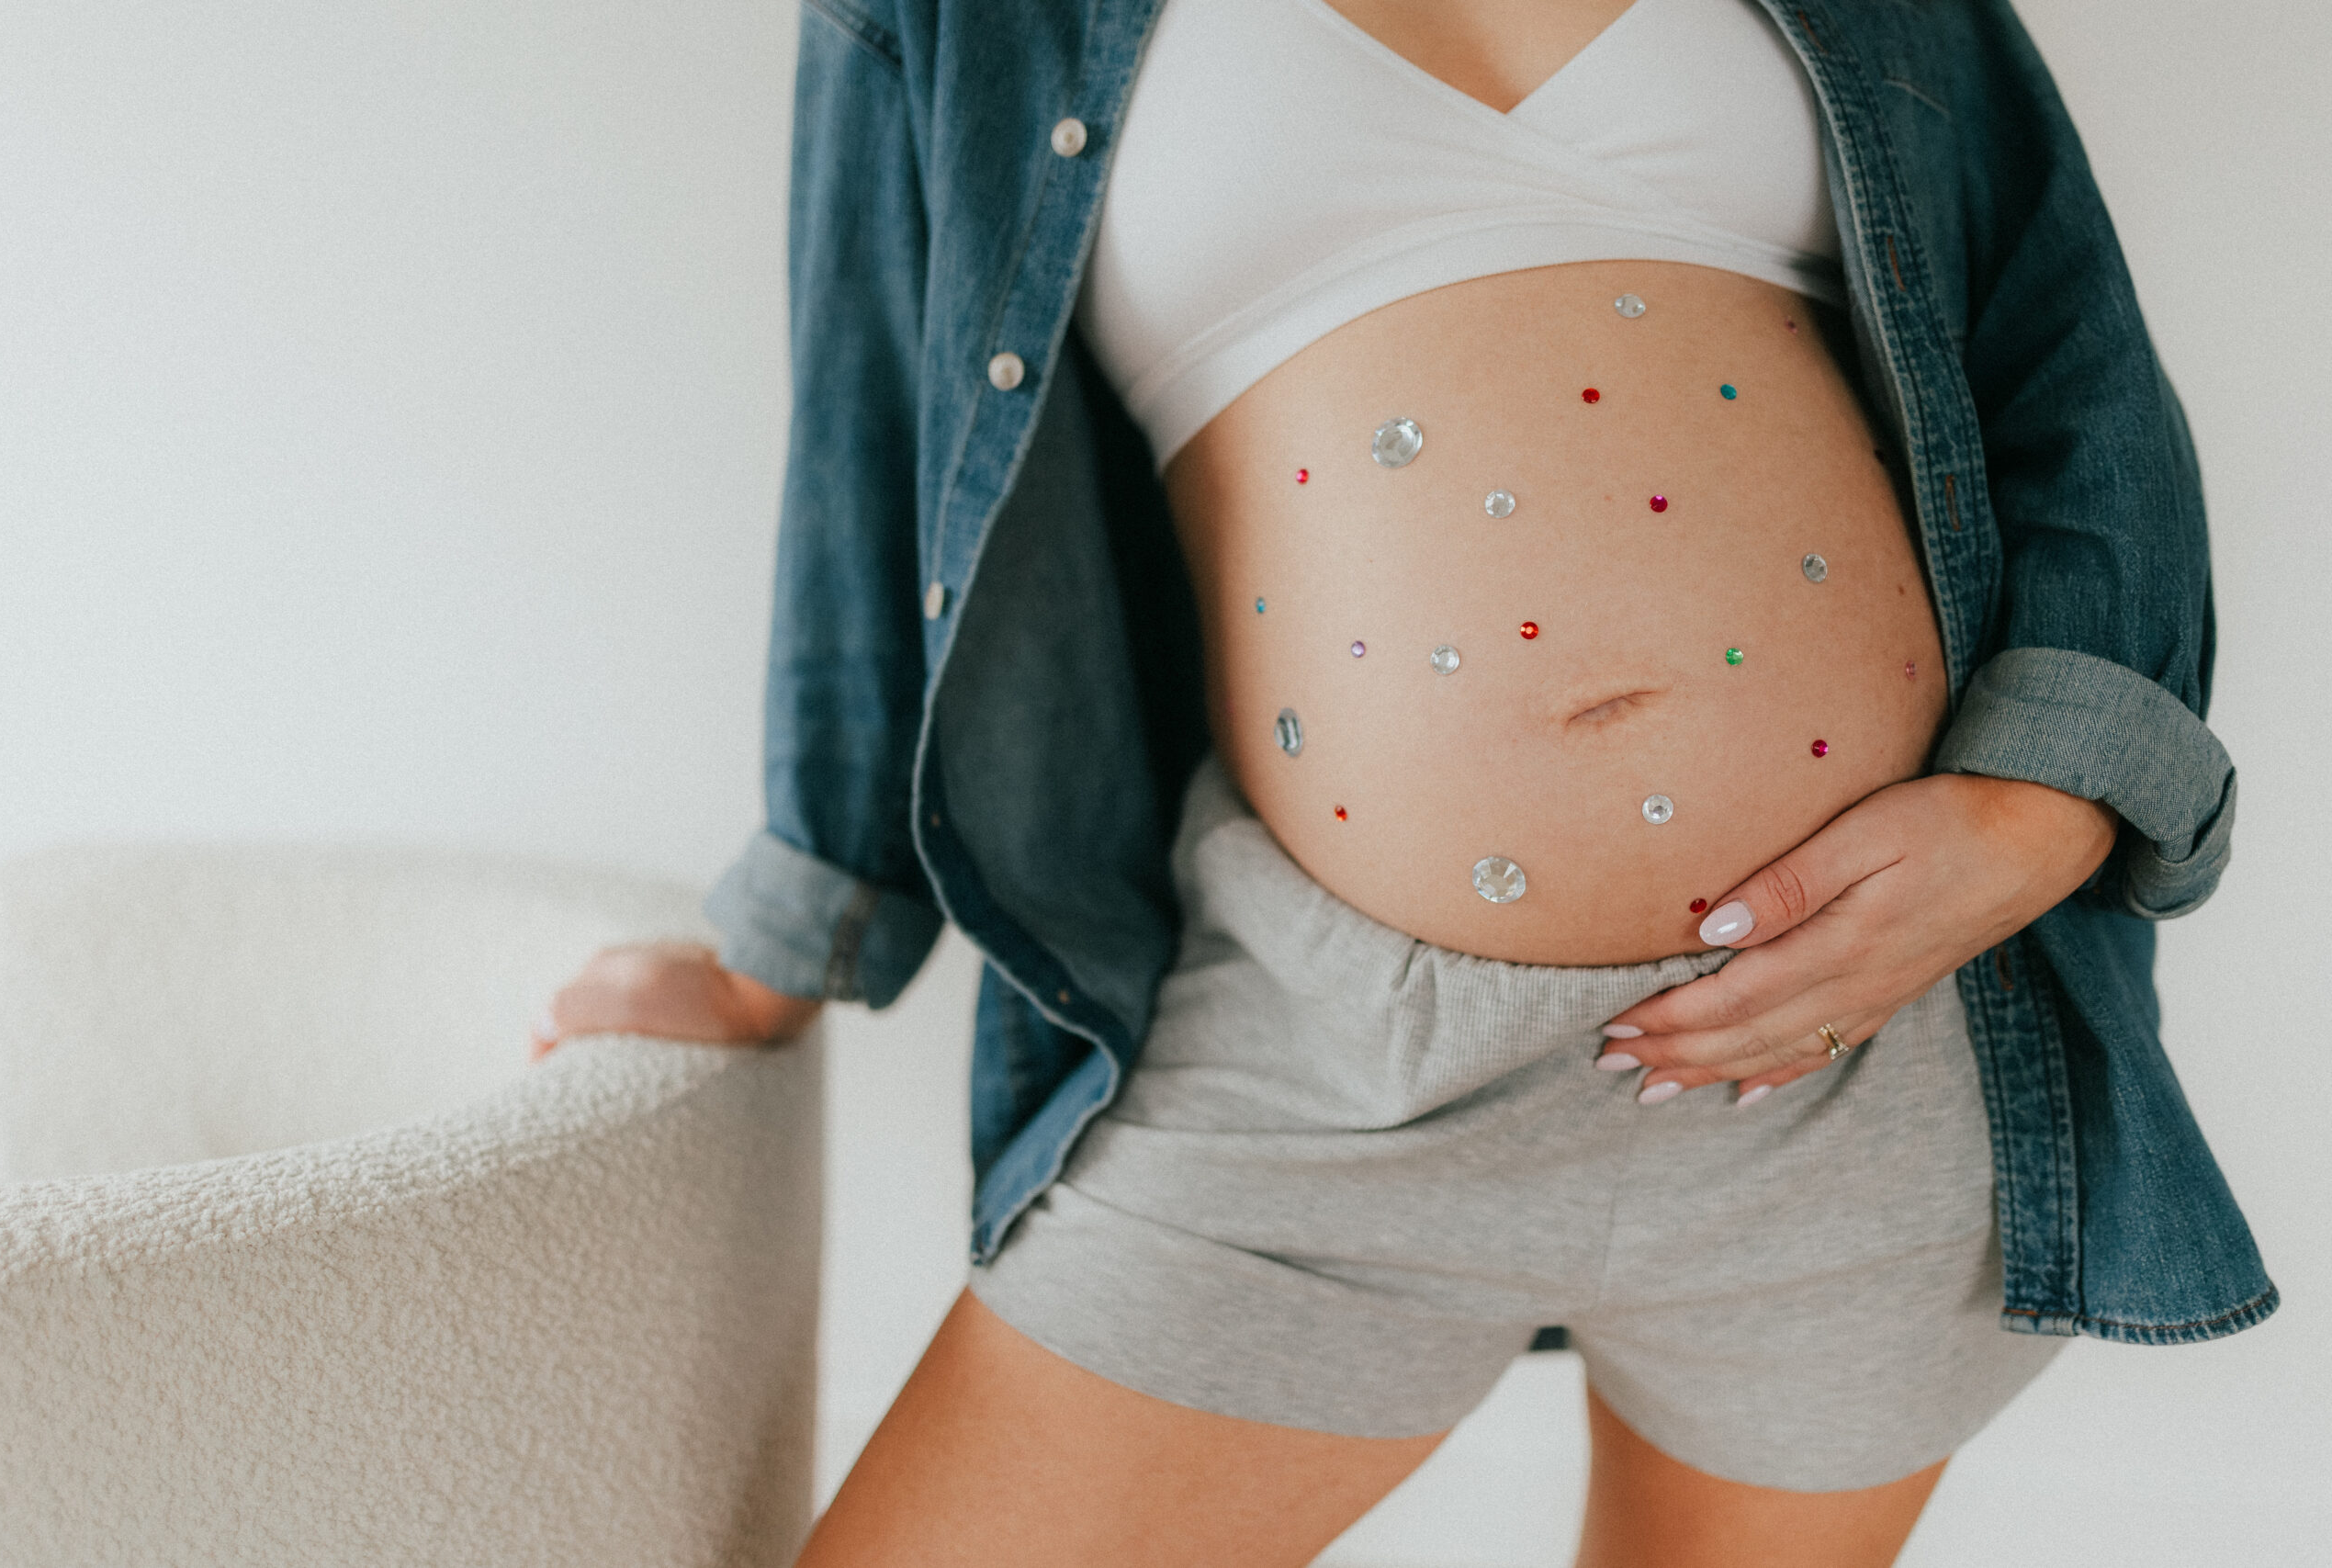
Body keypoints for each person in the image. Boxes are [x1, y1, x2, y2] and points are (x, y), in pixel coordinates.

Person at [537, 0, 2273, 1562]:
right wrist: (786, 940)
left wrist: (2044, 808)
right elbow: (872, 441)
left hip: (1861, 1050)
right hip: (1324, 1062)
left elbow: (2072, 359)